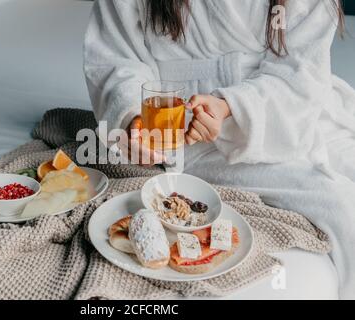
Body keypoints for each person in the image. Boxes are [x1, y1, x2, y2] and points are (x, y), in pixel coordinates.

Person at [84, 0, 355, 298]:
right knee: (340, 205)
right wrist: (135, 117)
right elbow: (116, 58)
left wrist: (231, 107)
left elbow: (300, 74)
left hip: (287, 112)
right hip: (188, 134)